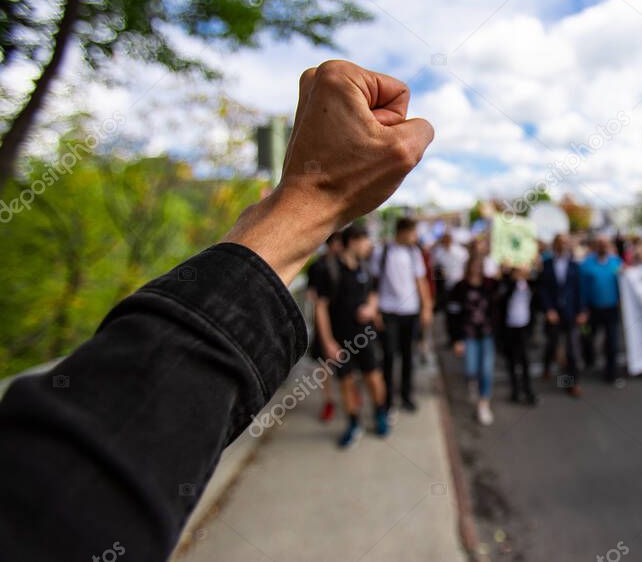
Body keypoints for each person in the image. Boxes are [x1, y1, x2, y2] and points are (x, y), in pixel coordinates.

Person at [0, 60, 435, 560]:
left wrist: (303, 204)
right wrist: (312, 200)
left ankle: (379, 412)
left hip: (362, 325)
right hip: (333, 332)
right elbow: (70, 490)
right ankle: (363, 417)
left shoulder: (374, 263)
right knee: (353, 378)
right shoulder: (329, 270)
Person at [314, 225, 389, 447]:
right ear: (354, 241)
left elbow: (374, 293)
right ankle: (354, 423)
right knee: (345, 382)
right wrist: (327, 341)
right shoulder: (329, 269)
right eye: (366, 241)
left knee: (373, 377)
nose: (369, 246)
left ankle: (380, 413)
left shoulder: (365, 268)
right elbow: (320, 307)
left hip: (365, 336)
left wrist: (371, 308)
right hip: (339, 338)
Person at [373, 217, 433, 413]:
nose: (415, 237)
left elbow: (421, 281)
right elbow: (373, 282)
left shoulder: (414, 252)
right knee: (389, 356)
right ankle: (388, 399)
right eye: (413, 232)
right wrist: (375, 311)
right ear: (403, 231)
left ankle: (406, 395)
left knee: (408, 356)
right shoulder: (382, 251)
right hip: (388, 311)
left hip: (410, 312)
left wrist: (426, 307)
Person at [450, 248, 499, 425]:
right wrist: (456, 339)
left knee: (486, 370)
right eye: (474, 265)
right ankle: (473, 384)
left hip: (486, 333)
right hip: (468, 334)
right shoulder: (460, 287)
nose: (476, 269)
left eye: (480, 266)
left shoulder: (491, 284)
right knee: (471, 369)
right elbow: (453, 315)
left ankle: (483, 403)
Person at [538, 233, 583, 397]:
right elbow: (542, 289)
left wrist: (581, 311)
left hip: (570, 313)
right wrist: (548, 309)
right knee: (552, 344)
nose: (563, 245)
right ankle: (547, 365)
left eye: (565, 242)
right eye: (560, 243)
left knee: (572, 350)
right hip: (554, 314)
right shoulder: (547, 264)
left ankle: (572, 383)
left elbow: (578, 290)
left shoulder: (574, 266)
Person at [306, 233, 344, 422]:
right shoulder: (318, 267)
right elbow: (313, 296)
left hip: (342, 320)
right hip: (325, 320)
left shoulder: (344, 264)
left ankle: (347, 395)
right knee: (325, 363)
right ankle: (329, 400)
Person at [579, 235, 625, 386]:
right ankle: (589, 361)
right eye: (600, 243)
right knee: (587, 337)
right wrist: (583, 309)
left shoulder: (616, 262)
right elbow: (582, 288)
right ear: (595, 246)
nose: (603, 246)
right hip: (592, 309)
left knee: (612, 342)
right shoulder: (586, 264)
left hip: (611, 309)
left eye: (605, 243)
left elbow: (624, 282)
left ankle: (611, 374)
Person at [499, 265, 537, 405]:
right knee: (512, 361)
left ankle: (528, 391)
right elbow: (502, 299)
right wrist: (511, 279)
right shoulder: (508, 284)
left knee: (525, 361)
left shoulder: (529, 285)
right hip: (510, 328)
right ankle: (515, 390)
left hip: (524, 327)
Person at [432, 232, 469, 345]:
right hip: (446, 287)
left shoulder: (460, 252)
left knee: (461, 311)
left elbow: (466, 265)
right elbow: (435, 267)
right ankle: (452, 337)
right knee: (449, 313)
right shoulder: (439, 253)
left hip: (459, 286)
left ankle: (460, 336)